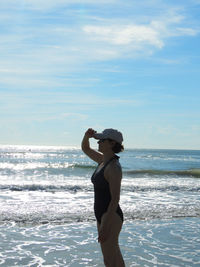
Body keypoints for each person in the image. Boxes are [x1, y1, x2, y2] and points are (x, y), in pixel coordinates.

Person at [81, 128, 125, 267]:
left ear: (112, 143)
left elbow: (115, 199)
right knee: (113, 257)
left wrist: (105, 223)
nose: (98, 142)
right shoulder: (102, 161)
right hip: (103, 215)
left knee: (110, 260)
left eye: (101, 140)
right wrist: (87, 136)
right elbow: (86, 148)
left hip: (110, 216)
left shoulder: (113, 167)